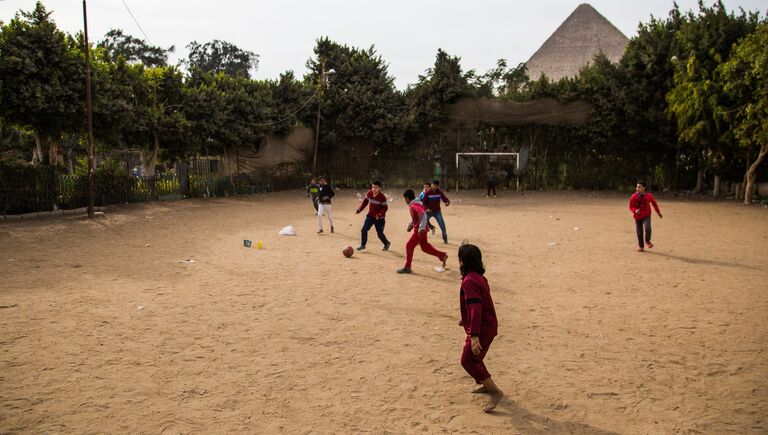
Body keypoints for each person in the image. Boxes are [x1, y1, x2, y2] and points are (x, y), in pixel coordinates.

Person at [457, 243, 503, 412]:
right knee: (476, 358)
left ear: (463, 261)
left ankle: (495, 392)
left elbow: (476, 307)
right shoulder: (478, 277)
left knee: (468, 360)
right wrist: (466, 319)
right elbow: (477, 304)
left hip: (482, 328)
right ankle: (485, 384)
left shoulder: (469, 281)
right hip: (487, 324)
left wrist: (475, 335)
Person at [397, 189, 448, 274]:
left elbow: (422, 214)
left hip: (420, 230)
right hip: (421, 229)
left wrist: (421, 227)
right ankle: (442, 256)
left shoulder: (413, 205)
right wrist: (411, 224)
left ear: (407, 198)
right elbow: (417, 217)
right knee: (424, 247)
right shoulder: (416, 203)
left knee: (409, 245)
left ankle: (407, 267)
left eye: (405, 199)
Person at [355, 180, 391, 251]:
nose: (374, 189)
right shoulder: (369, 193)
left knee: (380, 234)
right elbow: (365, 202)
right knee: (364, 230)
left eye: (376, 187)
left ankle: (386, 243)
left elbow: (385, 208)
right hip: (370, 216)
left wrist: (380, 215)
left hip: (379, 219)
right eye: (373, 187)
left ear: (379, 188)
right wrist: (359, 209)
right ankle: (363, 245)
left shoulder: (382, 197)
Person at [628, 180, 662, 252]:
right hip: (638, 217)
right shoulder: (633, 197)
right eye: (637, 187)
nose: (637, 188)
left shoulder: (648, 196)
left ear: (644, 188)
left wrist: (658, 212)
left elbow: (654, 203)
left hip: (646, 215)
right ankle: (641, 246)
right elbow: (631, 207)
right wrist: (635, 210)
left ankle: (647, 241)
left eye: (639, 187)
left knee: (647, 228)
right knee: (639, 233)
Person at [424, 179, 451, 243]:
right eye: (433, 185)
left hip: (437, 212)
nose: (434, 187)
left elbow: (445, 199)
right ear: (431, 185)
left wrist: (447, 202)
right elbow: (424, 203)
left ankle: (444, 237)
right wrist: (427, 209)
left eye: (436, 186)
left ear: (438, 186)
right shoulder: (427, 193)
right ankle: (420, 238)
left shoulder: (440, 192)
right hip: (429, 212)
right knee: (422, 222)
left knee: (442, 224)